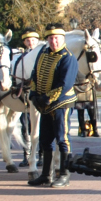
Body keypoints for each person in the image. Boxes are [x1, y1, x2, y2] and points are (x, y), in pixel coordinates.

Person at [27, 24, 78, 188]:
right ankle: (45, 175)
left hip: (61, 103)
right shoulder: (43, 54)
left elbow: (65, 84)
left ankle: (64, 174)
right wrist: (34, 95)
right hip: (44, 105)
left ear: (62, 39)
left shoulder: (67, 57)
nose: (53, 41)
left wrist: (47, 99)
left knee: (62, 139)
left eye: (56, 38)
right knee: (45, 140)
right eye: (50, 38)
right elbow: (34, 75)